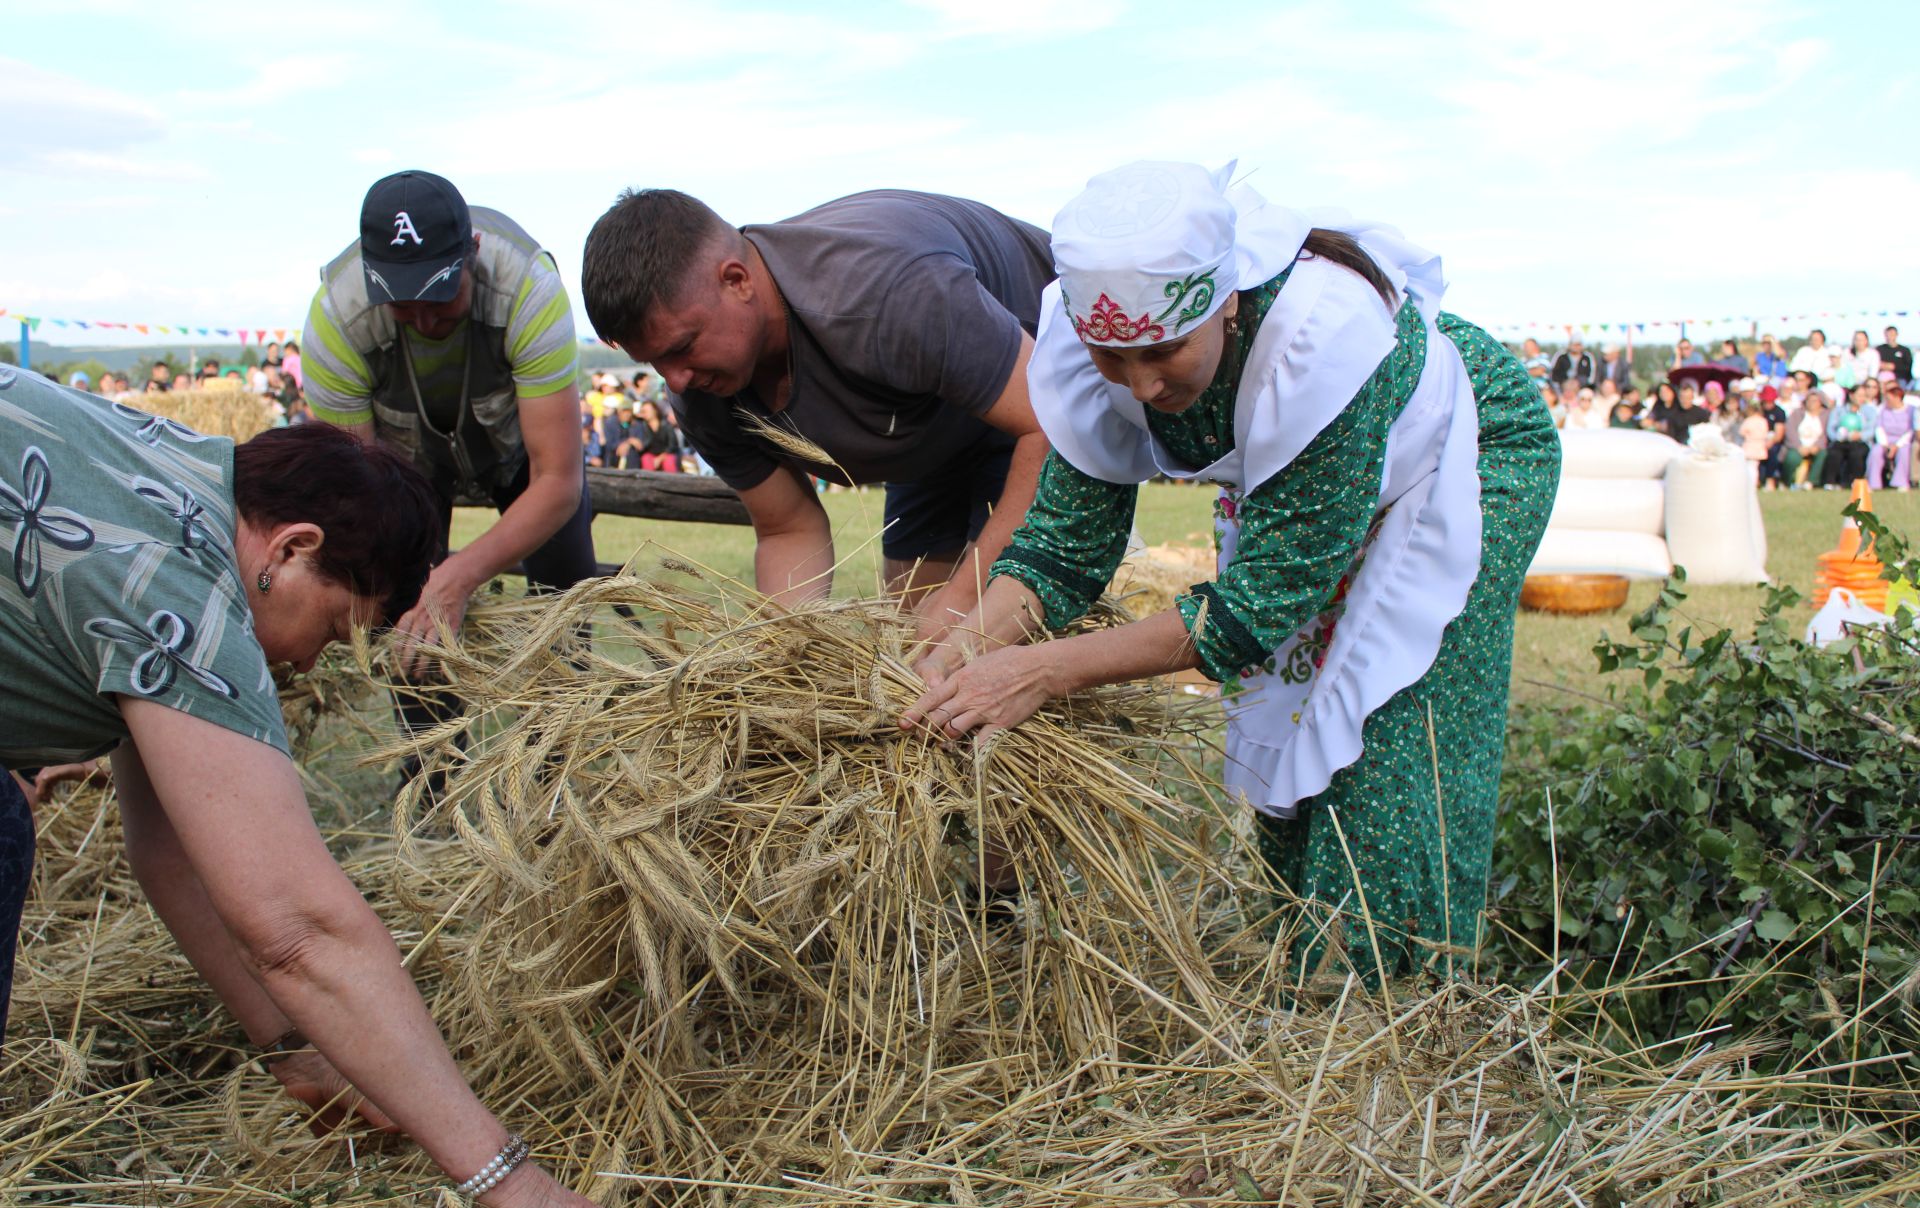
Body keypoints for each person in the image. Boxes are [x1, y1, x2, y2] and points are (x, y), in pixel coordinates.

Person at [0, 368, 682, 1208]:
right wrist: (518, 1191)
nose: (312, 666)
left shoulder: (170, 473)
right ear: (292, 548)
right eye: (332, 628)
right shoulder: (188, 594)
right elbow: (296, 931)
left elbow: (169, 849)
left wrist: (294, 1050)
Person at [904, 161, 1560, 977]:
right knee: (1288, 709)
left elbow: (1255, 611)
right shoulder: (1094, 349)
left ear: (1229, 302)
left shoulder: (1318, 337)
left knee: (1390, 730)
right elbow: (1062, 550)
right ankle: (1300, 968)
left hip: (1456, 456)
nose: (1142, 384)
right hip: (1306, 492)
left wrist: (1041, 670)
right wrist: (962, 651)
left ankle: (1395, 1007)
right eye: (1114, 360)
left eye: (1168, 351)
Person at [580, 186, 1057, 641]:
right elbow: (789, 528)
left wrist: (963, 598)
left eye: (683, 347)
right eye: (655, 362)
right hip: (928, 425)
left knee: (984, 636)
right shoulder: (699, 391)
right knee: (917, 647)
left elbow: (1047, 427)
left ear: (736, 280)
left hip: (1047, 388)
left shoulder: (885, 291)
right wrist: (776, 656)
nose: (675, 380)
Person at [301, 171, 597, 770]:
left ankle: (560, 776)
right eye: (401, 304)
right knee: (405, 600)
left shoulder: (529, 291)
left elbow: (557, 483)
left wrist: (458, 578)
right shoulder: (337, 320)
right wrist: (424, 583)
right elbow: (361, 496)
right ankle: (433, 784)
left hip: (519, 457)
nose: (424, 320)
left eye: (440, 298)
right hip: (403, 465)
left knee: (566, 591)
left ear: (474, 256)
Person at [1869, 378, 1914, 489]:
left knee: (1905, 452)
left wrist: (1897, 446)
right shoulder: (1883, 410)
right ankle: (1873, 483)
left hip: (1904, 442)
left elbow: (1911, 431)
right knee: (1876, 451)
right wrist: (1885, 444)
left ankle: (1900, 482)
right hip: (1886, 441)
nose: (1887, 401)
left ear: (1898, 398)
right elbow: (1879, 428)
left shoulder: (1911, 410)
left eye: (1889, 399)